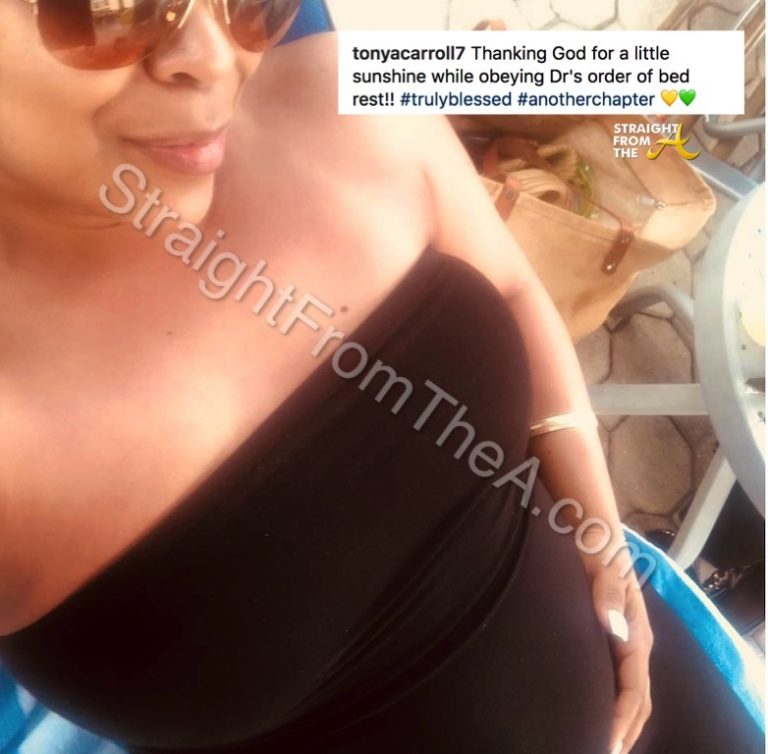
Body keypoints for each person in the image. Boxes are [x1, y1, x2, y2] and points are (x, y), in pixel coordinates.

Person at [0, 2, 762, 752]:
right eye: (111, 6)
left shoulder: (344, 93)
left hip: (651, 688)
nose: (215, 57)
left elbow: (510, 287)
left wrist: (601, 542)